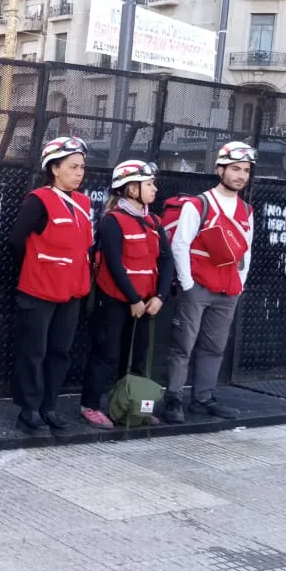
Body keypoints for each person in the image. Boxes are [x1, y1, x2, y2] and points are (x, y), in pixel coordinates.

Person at [163, 141, 256, 423]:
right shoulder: (199, 204)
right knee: (183, 346)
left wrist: (239, 282)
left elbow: (247, 251)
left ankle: (203, 399)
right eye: (235, 169)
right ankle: (174, 398)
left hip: (228, 290)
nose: (241, 175)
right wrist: (188, 284)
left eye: (246, 170)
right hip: (198, 287)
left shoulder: (246, 211)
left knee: (214, 347)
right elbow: (180, 244)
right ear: (220, 169)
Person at [79, 160, 174, 429]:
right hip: (115, 301)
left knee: (139, 356)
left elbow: (167, 261)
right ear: (132, 190)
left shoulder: (154, 221)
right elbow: (114, 264)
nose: (155, 189)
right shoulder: (113, 221)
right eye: (149, 184)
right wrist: (133, 299)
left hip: (146, 302)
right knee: (106, 354)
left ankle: (130, 404)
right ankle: (90, 405)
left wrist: (160, 297)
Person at [9, 136, 92, 433]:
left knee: (60, 352)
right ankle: (28, 410)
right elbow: (17, 241)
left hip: (71, 291)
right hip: (38, 290)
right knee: (34, 352)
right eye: (72, 167)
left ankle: (49, 406)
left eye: (82, 167)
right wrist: (40, 265)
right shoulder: (38, 200)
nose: (79, 172)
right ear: (54, 169)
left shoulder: (83, 202)